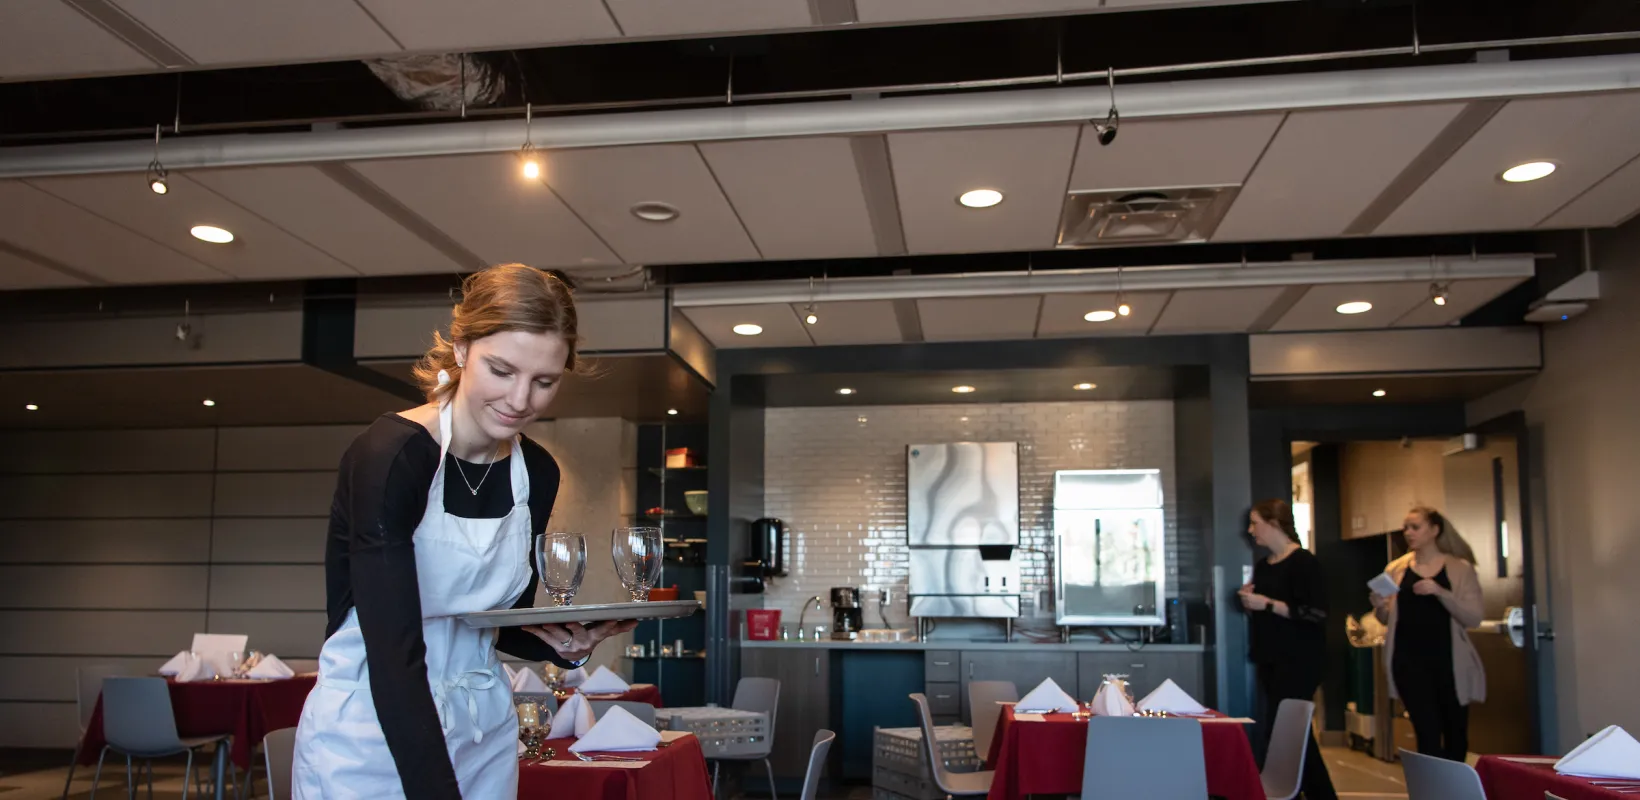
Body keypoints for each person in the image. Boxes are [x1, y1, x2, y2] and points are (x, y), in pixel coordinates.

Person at [291, 264, 637, 798]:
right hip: (370, 730)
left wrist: (566, 646)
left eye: (545, 381)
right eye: (502, 370)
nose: (521, 400)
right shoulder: (390, 456)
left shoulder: (536, 472)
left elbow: (498, 622)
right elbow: (393, 652)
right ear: (460, 350)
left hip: (483, 732)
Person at [1239, 498, 1338, 800]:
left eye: (1255, 522)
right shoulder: (1263, 566)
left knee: (1289, 734)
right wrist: (1250, 604)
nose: (1251, 529)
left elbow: (1315, 612)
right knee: (1291, 735)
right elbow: (1266, 613)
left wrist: (1267, 604)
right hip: (1271, 658)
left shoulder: (1304, 562)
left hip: (1299, 660)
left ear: (1273, 524)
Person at [1371, 506, 1485, 762]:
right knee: (1427, 733)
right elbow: (1387, 618)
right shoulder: (1397, 569)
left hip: (1449, 662)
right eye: (1406, 528)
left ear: (1434, 530)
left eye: (1415, 527)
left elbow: (1473, 616)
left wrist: (1440, 592)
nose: (1409, 533)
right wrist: (1380, 605)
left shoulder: (1459, 569)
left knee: (1455, 733)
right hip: (1408, 660)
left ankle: (1455, 789)